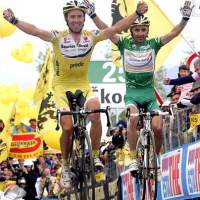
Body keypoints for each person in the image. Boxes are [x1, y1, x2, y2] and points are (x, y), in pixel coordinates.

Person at [3, 0, 148, 189]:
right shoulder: (58, 37)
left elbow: (116, 28)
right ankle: (65, 166)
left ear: (84, 18)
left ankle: (95, 156)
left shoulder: (92, 36)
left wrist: (137, 13)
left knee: (96, 111)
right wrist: (14, 20)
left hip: (83, 85)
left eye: (80, 16)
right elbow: (35, 30)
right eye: (73, 16)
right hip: (62, 87)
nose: (77, 20)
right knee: (68, 127)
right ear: (67, 18)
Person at [86, 0, 194, 171]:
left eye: (143, 30)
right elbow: (107, 30)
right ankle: (135, 158)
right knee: (134, 119)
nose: (140, 33)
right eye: (137, 29)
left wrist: (185, 19)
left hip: (149, 96)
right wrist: (93, 15)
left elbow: (173, 33)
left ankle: (156, 159)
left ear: (147, 31)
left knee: (158, 127)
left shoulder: (154, 44)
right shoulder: (124, 44)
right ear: (131, 30)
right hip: (132, 95)